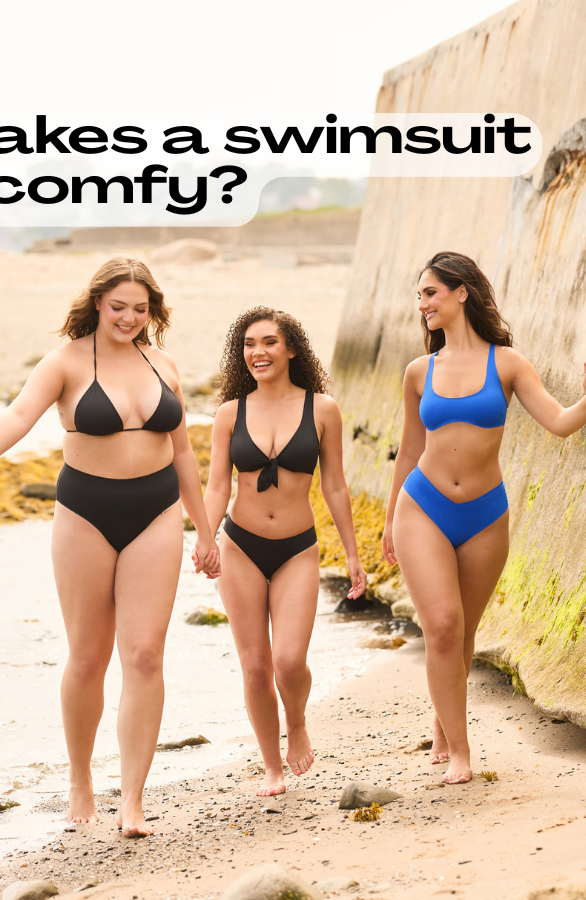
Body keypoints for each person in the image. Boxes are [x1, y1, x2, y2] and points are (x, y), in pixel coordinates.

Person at [0, 257, 218, 836]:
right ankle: (81, 780)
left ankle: (132, 798)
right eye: (118, 307)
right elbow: (19, 413)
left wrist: (205, 530)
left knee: (145, 655)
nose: (129, 318)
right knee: (88, 656)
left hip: (157, 512)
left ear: (152, 311)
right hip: (86, 512)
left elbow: (182, 450)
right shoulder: (64, 362)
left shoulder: (162, 364)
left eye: (140, 309)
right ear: (97, 303)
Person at [383, 251, 586, 784]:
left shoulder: (508, 363)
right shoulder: (419, 371)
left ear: (461, 292)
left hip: (485, 513)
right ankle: (459, 752)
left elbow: (559, 422)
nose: (422, 304)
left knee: (465, 631)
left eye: (430, 293)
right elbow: (408, 452)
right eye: (419, 296)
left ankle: (443, 718)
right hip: (422, 505)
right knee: (442, 626)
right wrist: (388, 521)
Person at [203, 307, 367, 796]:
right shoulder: (229, 414)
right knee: (256, 667)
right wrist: (204, 538)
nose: (258, 352)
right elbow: (217, 486)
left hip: (298, 548)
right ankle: (271, 766)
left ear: (291, 349)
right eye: (249, 344)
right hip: (240, 545)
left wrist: (352, 555)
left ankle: (296, 722)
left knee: (290, 661)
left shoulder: (323, 409)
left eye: (269, 342)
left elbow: (334, 486)